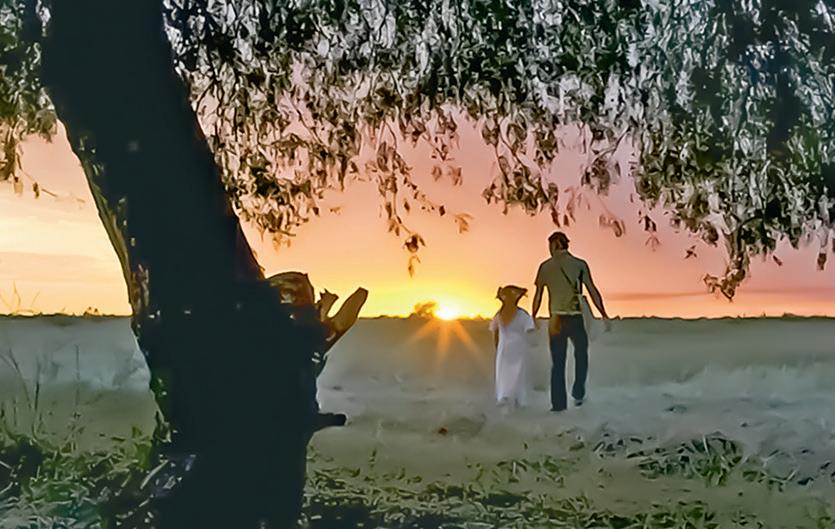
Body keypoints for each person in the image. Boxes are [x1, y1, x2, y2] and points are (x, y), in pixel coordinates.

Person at [531, 232, 609, 412]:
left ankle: (558, 406)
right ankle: (578, 393)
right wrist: (603, 314)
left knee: (558, 363)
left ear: (554, 245)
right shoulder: (580, 264)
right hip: (575, 317)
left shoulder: (545, 267)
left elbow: (538, 295)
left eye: (550, 246)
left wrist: (533, 316)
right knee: (581, 355)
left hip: (555, 319)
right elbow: (592, 290)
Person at [489, 285, 536, 409]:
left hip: (503, 348)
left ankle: (504, 397)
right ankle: (517, 399)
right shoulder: (522, 315)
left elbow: (495, 332)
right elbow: (530, 329)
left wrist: (497, 346)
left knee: (503, 373)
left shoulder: (499, 314)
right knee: (518, 373)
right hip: (519, 347)